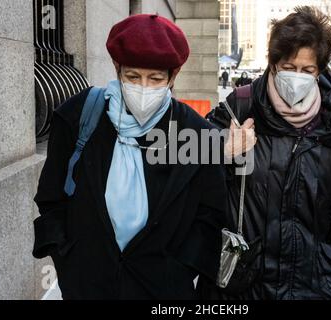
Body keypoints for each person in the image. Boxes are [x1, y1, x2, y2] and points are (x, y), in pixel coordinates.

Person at [32, 14, 226, 300]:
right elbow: (51, 197)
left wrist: (178, 270)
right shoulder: (78, 116)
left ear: (174, 76)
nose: (143, 88)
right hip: (87, 288)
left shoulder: (199, 135)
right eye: (133, 76)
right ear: (117, 68)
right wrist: (68, 262)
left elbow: (210, 217)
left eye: (156, 78)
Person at [202, 6, 331, 300]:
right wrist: (223, 149)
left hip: (312, 285)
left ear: (320, 71)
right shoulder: (241, 106)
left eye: (308, 70)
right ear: (274, 63)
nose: (297, 77)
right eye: (289, 68)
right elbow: (190, 160)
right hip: (245, 286)